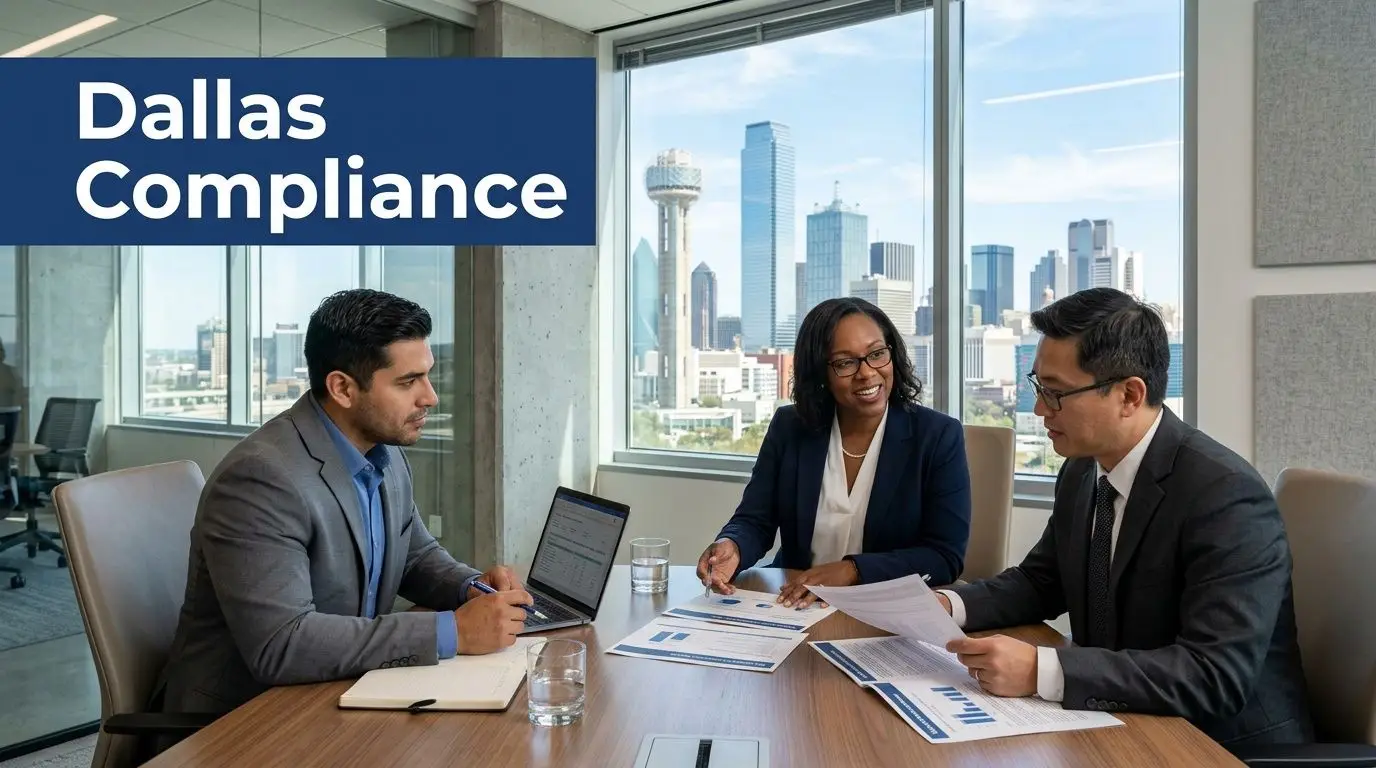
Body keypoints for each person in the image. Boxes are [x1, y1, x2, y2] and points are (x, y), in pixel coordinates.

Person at [936, 288, 1312, 748]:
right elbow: (1041, 581)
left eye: (1055, 394)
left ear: (1130, 395)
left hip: (1219, 744)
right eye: (1038, 387)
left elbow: (1215, 675)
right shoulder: (1082, 468)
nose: (1039, 411)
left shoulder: (1225, 495)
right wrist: (948, 607)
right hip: (1123, 720)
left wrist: (1040, 670)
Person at [158, 289, 533, 718]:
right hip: (244, 720)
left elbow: (415, 556)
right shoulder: (261, 479)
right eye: (408, 382)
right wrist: (454, 631)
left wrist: (472, 588)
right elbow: (282, 643)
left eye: (427, 376)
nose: (429, 397)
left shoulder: (385, 454)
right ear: (342, 388)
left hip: (339, 688)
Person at [696, 297, 972, 607]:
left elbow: (944, 556)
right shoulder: (790, 427)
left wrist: (853, 570)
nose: (867, 373)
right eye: (845, 362)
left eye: (877, 354)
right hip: (795, 603)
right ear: (820, 374)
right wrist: (732, 545)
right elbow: (754, 519)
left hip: (887, 609)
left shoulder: (937, 436)